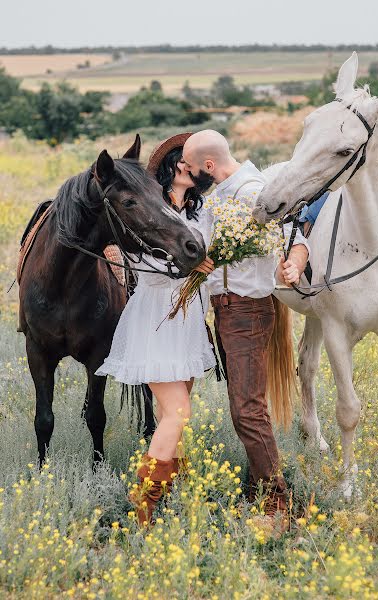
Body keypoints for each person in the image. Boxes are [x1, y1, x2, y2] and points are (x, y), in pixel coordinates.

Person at [182, 130, 309, 526]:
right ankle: (258, 491)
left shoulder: (253, 191)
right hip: (227, 312)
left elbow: (296, 236)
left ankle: (278, 504)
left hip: (247, 311)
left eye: (190, 167)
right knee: (244, 406)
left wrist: (296, 263)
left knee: (247, 409)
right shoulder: (219, 194)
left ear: (208, 166)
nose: (187, 173)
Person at [95, 133, 216, 524]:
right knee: (178, 412)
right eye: (182, 159)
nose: (188, 165)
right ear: (170, 166)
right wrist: (187, 265)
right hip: (156, 317)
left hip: (189, 320)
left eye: (194, 162)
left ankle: (167, 497)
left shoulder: (201, 213)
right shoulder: (146, 210)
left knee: (174, 413)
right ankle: (143, 503)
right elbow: (149, 271)